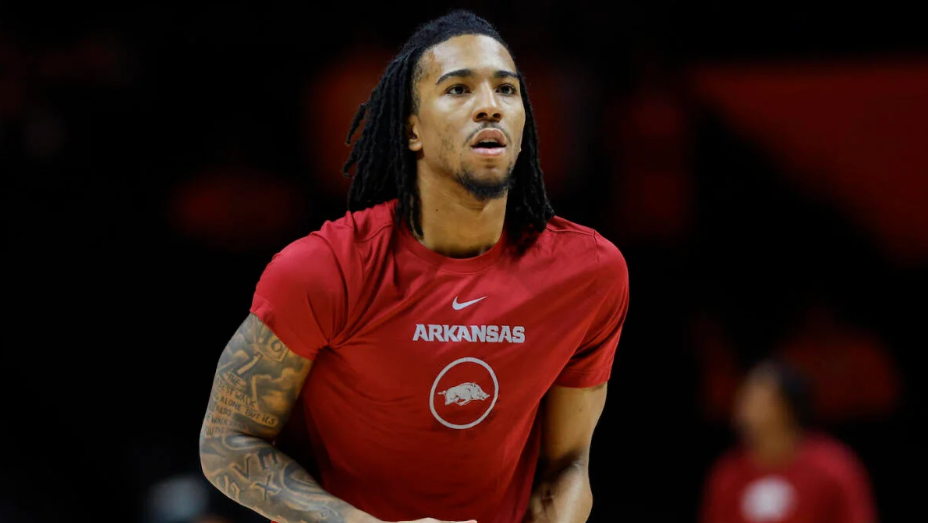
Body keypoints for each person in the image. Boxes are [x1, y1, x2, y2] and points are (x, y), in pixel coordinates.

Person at [198, 9, 629, 523]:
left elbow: (568, 463)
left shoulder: (588, 274)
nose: (490, 106)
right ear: (411, 131)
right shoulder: (325, 269)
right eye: (459, 89)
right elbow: (229, 442)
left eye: (507, 90)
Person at [699, 359, 878, 523]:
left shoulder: (833, 466)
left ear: (787, 407)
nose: (744, 408)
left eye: (758, 399)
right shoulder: (727, 474)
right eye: (743, 398)